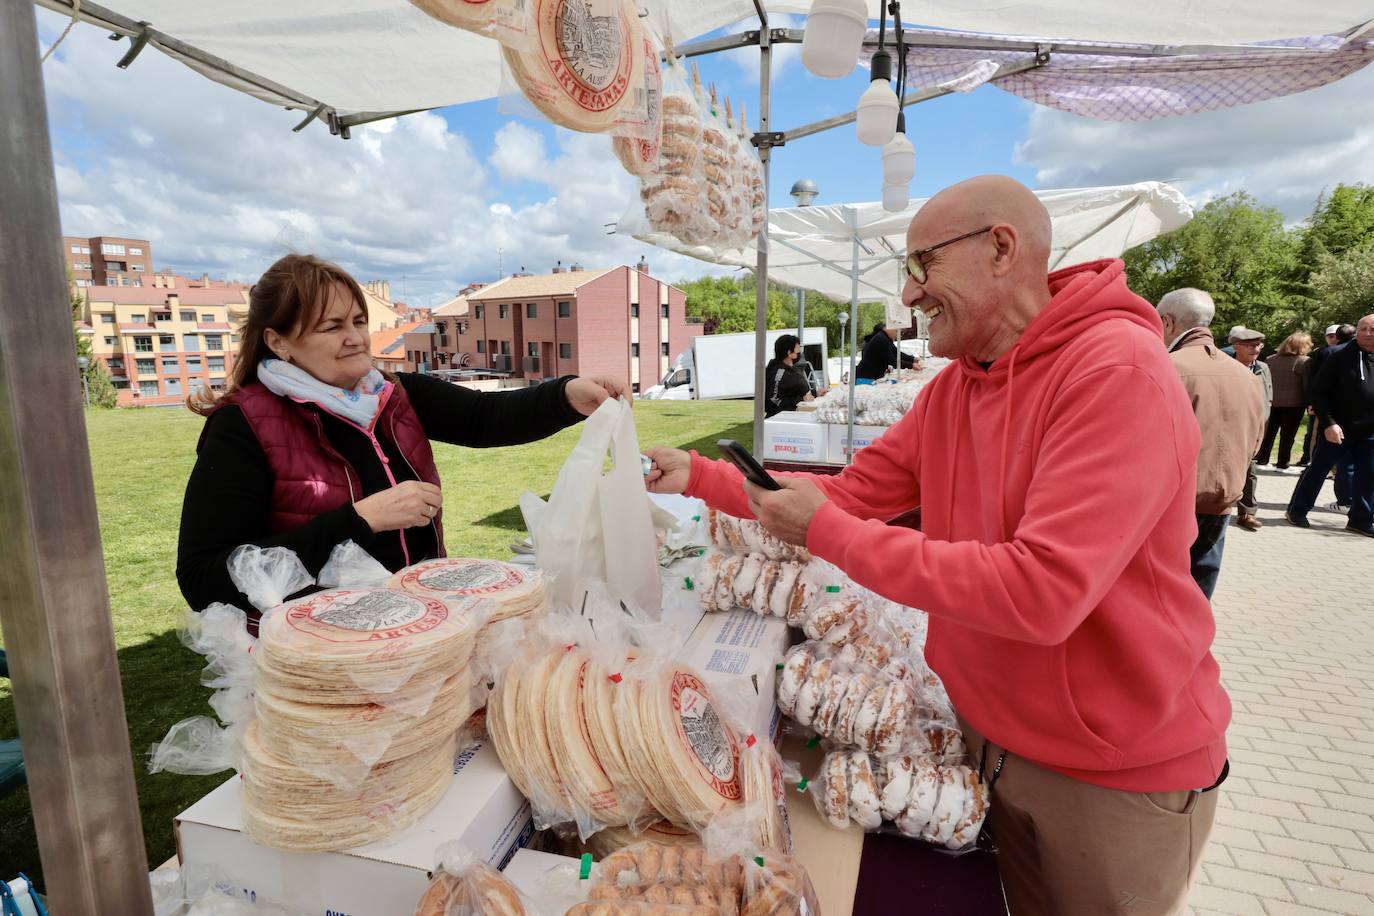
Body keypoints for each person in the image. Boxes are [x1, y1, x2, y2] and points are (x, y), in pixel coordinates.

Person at [647, 175, 1227, 915]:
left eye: (923, 266)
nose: (911, 294)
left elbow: (1040, 592)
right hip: (994, 744)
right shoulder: (955, 389)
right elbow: (852, 494)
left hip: (1110, 775)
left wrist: (826, 535)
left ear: (1000, 248)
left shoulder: (1115, 371)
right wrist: (702, 475)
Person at [177, 254, 630, 632]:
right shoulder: (243, 425)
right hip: (322, 657)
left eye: (358, 320)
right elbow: (203, 579)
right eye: (331, 326)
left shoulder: (392, 394)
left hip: (419, 633)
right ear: (278, 342)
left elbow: (485, 418)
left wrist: (567, 396)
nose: (355, 337)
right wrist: (359, 521)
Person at [1157, 289, 1264, 599]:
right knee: (1198, 594)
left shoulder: (1166, 366)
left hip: (1172, 504)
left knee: (1161, 597)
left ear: (1168, 322)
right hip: (1222, 499)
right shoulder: (1246, 376)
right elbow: (1256, 440)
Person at [1286, 314, 1374, 537]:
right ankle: (1297, 510)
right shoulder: (1338, 355)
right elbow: (1318, 391)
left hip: (1369, 432)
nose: (1366, 333)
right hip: (1338, 428)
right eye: (1363, 328)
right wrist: (1328, 423)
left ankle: (1361, 520)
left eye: (1372, 329)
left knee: (1369, 476)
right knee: (1317, 470)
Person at [1303, 323, 1357, 507]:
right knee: (1345, 462)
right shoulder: (1334, 353)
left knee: (1320, 460)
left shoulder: (1328, 352)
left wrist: (1312, 403)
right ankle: (1347, 501)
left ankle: (1300, 508)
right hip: (1336, 415)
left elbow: (1313, 381)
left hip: (1331, 414)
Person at [1228, 327, 1271, 531]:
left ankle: (1247, 513)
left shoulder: (1263, 367)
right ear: (1236, 345)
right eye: (1249, 345)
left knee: (1250, 470)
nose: (1255, 349)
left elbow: (1268, 396)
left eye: (1258, 345)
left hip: (1254, 428)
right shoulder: (1226, 365)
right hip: (1229, 425)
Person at [1258, 331, 1313, 472]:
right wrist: (1310, 402)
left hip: (1272, 402)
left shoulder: (1270, 359)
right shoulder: (1304, 361)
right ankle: (1282, 463)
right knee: (1288, 435)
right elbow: (1306, 384)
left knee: (1268, 433)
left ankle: (1262, 460)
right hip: (1294, 404)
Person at [1299, 325, 1345, 465]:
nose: (1334, 339)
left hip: (1341, 402)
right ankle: (1309, 459)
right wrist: (1311, 401)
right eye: (1330, 336)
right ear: (1326, 338)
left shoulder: (1349, 352)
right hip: (1322, 401)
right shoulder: (1321, 353)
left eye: (1336, 336)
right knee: (1314, 433)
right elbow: (1313, 379)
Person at [763, 333, 816, 418]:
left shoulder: (792, 370)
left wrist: (815, 393)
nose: (800, 353)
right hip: (779, 420)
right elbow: (772, 401)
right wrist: (801, 400)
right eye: (798, 350)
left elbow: (796, 393)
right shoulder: (778, 373)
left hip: (794, 417)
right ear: (789, 353)